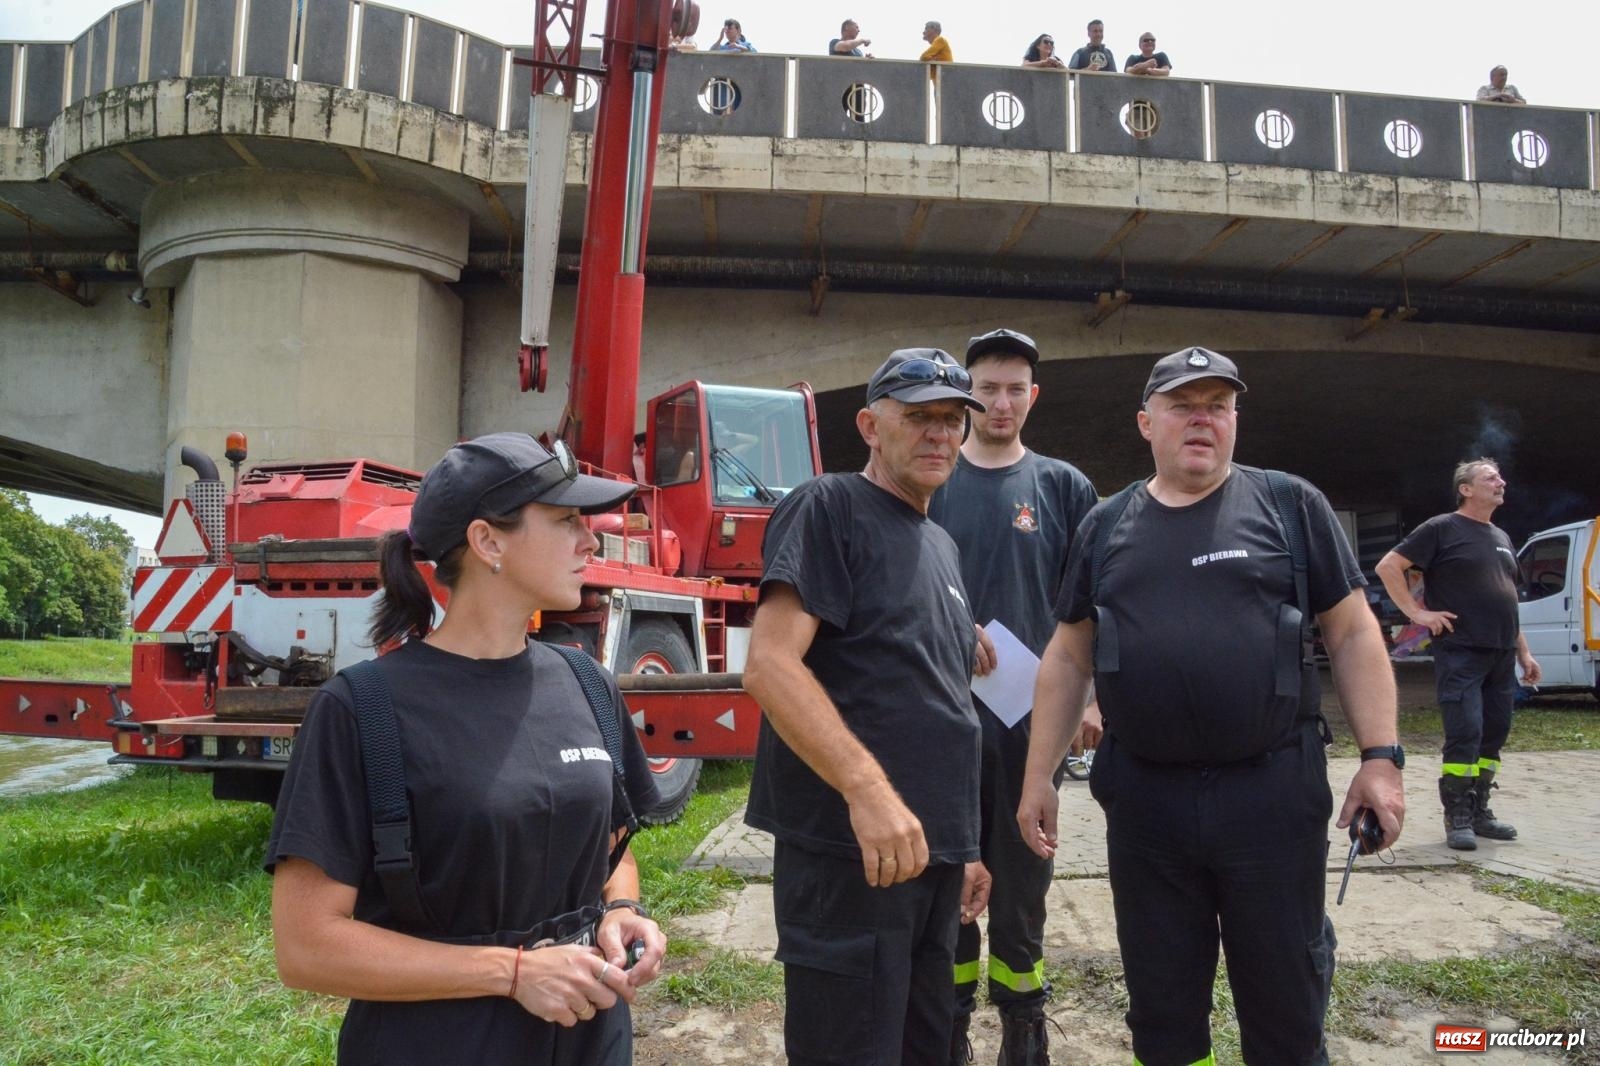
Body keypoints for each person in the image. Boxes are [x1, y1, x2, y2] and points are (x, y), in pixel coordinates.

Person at [1017, 348, 1406, 1066]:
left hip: (1270, 797)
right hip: (1147, 807)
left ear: (1235, 420)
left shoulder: (1290, 505)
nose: (1203, 418)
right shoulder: (1104, 527)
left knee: (1286, 1010)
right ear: (1146, 421)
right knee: (1163, 1015)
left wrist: (1381, 759)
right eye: (1183, 404)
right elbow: (1069, 655)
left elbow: (1352, 631)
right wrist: (1039, 776)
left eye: (1218, 405)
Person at [265, 432, 666, 1065]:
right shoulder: (361, 709)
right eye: (565, 521)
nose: (591, 540)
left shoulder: (587, 684)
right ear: (488, 542)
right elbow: (306, 947)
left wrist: (620, 909)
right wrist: (511, 973)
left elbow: (609, 849)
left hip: (591, 1037)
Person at [744, 348, 993, 1065]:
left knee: (926, 1049)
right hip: (853, 859)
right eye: (918, 417)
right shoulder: (829, 507)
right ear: (870, 425)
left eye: (952, 420)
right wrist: (865, 789)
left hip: (930, 860)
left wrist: (964, 845)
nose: (939, 434)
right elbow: (769, 665)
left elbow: (935, 702)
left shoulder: (939, 545)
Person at [927, 329, 1100, 1066]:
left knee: (1024, 874)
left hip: (1035, 723)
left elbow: (1092, 609)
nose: (1001, 402)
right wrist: (948, 621)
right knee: (951, 872)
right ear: (969, 395)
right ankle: (951, 1020)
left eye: (1014, 388)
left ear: (1034, 396)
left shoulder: (1063, 487)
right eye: (988, 388)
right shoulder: (929, 480)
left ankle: (1023, 1023)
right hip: (942, 715)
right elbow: (898, 583)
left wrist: (1091, 700)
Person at [1375, 458, 1541, 850]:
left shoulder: (1501, 535)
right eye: (1490, 477)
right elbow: (1389, 566)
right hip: (1462, 650)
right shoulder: (1441, 528)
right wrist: (1417, 613)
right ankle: (1457, 816)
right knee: (1465, 730)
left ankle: (1481, 810)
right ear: (1466, 489)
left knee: (1494, 733)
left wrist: (1525, 654)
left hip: (1502, 654)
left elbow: (1508, 601)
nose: (1501, 482)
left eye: (1499, 477)